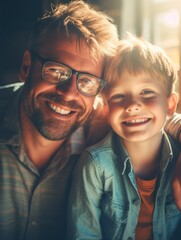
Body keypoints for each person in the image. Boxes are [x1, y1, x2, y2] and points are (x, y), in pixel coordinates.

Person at [0, 1, 119, 240]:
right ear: (26, 67)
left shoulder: (104, 134)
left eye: (86, 81)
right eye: (56, 71)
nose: (68, 93)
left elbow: (156, 116)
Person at [67, 35, 181, 240]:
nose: (132, 105)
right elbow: (83, 234)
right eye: (119, 96)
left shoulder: (179, 158)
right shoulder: (94, 165)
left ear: (171, 104)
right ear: (106, 107)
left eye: (146, 91)